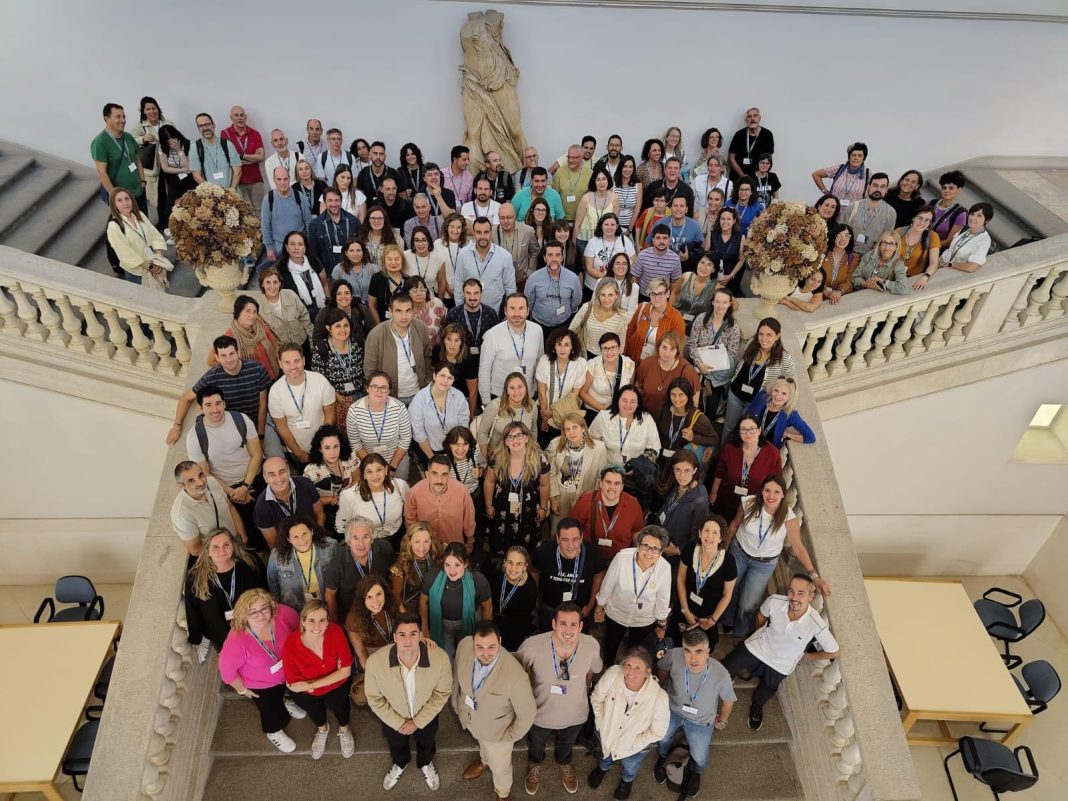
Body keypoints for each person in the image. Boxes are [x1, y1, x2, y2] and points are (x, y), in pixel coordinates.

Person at [722, 574, 839, 730]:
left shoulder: (816, 624)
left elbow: (833, 651)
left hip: (781, 664)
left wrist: (807, 656)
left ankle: (757, 705)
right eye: (791, 591)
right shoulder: (775, 601)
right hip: (759, 647)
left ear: (811, 597)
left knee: (768, 688)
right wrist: (762, 631)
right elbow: (761, 615)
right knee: (725, 667)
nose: (794, 597)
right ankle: (729, 678)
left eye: (801, 593)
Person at [516, 603, 604, 795]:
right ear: (554, 624)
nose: (568, 630)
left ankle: (564, 762)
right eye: (563, 623)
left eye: (573, 625)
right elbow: (516, 672)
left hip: (575, 715)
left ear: (581, 626)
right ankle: (534, 763)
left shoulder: (591, 645)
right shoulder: (532, 646)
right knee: (536, 744)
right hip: (539, 714)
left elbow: (593, 670)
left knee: (566, 743)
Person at [725, 475, 830, 636]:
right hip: (739, 552)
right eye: (767, 490)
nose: (771, 495)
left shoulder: (788, 517)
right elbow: (733, 525)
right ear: (761, 492)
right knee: (729, 588)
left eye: (776, 492)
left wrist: (814, 576)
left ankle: (740, 631)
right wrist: (723, 550)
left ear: (783, 495)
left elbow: (798, 548)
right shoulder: (748, 503)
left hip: (763, 564)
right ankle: (726, 620)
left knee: (749, 603)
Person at [365, 611, 453, 792]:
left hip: (426, 716)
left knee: (427, 742)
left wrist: (418, 722)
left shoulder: (440, 658)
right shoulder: (375, 662)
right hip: (393, 719)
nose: (407, 640)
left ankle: (425, 762)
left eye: (413, 634)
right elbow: (374, 698)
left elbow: (442, 693)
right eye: (402, 634)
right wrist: (398, 723)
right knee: (396, 744)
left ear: (421, 635)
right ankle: (400, 762)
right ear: (394, 637)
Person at [453, 620, 537, 801]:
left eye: (491, 647)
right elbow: (457, 679)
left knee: (501, 768)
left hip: (499, 733)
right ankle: (485, 761)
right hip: (472, 721)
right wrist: (456, 705)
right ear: (473, 642)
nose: (485, 653)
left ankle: (503, 793)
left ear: (500, 641)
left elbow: (528, 713)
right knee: (482, 744)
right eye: (479, 647)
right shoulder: (464, 646)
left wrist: (510, 737)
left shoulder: (515, 676)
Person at [218, 588, 304, 753]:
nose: (261, 615)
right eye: (253, 612)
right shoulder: (236, 640)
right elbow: (226, 671)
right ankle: (274, 731)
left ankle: (285, 701)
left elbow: (297, 628)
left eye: (264, 608)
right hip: (261, 685)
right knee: (271, 710)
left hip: (287, 672)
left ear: (271, 605)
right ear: (244, 614)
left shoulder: (282, 614)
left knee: (284, 693)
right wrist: (242, 690)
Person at [653, 628, 736, 797]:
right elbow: (662, 667)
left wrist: (722, 720)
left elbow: (728, 700)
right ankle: (663, 757)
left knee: (699, 753)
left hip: (701, 720)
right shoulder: (674, 655)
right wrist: (660, 688)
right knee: (662, 736)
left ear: (708, 652)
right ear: (682, 650)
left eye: (698, 652)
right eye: (688, 651)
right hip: (674, 710)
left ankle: (696, 771)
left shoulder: (720, 673)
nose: (692, 659)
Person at [588, 646, 670, 800]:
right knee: (604, 755)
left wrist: (636, 743)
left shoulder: (659, 697)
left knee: (630, 766)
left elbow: (659, 731)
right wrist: (601, 723)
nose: (631, 672)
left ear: (647, 672)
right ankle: (603, 768)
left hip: (635, 747)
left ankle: (626, 781)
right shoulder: (613, 674)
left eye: (638, 668)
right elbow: (596, 698)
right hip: (606, 733)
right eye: (628, 665)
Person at [185, 385, 262, 544]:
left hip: (254, 477)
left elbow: (257, 454)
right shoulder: (195, 437)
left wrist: (245, 487)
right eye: (208, 405)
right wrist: (234, 493)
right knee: (248, 530)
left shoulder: (241, 419)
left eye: (218, 403)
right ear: (201, 408)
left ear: (224, 403)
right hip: (227, 488)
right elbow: (206, 474)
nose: (215, 409)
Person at [168, 336, 273, 451]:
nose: (229, 359)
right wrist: (177, 426)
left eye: (231, 354)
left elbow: (263, 405)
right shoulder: (212, 377)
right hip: (232, 426)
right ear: (217, 358)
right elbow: (186, 398)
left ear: (238, 353)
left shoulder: (257, 369)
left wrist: (260, 436)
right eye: (223, 355)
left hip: (259, 423)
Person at [282, 599, 355, 759]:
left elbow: (346, 671)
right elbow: (294, 684)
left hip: (334, 687)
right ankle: (323, 729)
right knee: (315, 712)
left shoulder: (335, 632)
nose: (317, 626)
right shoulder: (291, 644)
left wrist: (310, 684)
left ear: (328, 621)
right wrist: (335, 674)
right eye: (311, 620)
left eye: (322, 620)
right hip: (309, 694)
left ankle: (344, 729)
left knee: (342, 708)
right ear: (303, 621)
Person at [184, 527, 266, 661]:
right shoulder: (196, 577)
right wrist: (196, 638)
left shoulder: (249, 563)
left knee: (257, 659)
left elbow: (265, 589)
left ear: (233, 545)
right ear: (208, 551)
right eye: (215, 547)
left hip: (253, 627)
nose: (222, 551)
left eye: (226, 545)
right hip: (220, 635)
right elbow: (192, 609)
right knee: (233, 662)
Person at [595, 526, 672, 666]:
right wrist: (599, 607)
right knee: (610, 646)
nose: (649, 552)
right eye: (645, 546)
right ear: (638, 545)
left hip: (644, 619)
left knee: (636, 652)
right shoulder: (622, 558)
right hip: (616, 613)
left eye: (655, 549)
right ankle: (608, 668)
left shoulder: (665, 568)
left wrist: (661, 625)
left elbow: (663, 599)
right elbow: (608, 585)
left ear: (661, 552)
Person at [721, 317, 796, 448]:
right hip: (735, 394)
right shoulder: (752, 344)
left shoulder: (785, 359)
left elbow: (791, 385)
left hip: (755, 402)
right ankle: (723, 451)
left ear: (777, 336)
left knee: (744, 431)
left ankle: (736, 454)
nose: (763, 339)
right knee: (728, 426)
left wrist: (780, 401)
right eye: (761, 334)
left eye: (769, 335)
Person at [484, 421, 551, 557]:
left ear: (526, 438)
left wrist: (543, 508)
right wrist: (488, 505)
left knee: (528, 545)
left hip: (529, 509)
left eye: (519, 435)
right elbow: (489, 481)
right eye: (510, 437)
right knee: (502, 543)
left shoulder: (539, 458)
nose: (515, 440)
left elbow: (544, 485)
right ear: (505, 442)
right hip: (503, 507)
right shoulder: (497, 457)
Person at [530, 519, 606, 631]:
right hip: (550, 607)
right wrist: (534, 598)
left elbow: (598, 577)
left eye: (575, 539)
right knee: (547, 636)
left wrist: (590, 605)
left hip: (579, 609)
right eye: (565, 540)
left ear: (581, 538)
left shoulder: (593, 555)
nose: (571, 546)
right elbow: (534, 572)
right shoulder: (543, 553)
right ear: (557, 538)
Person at [420, 542, 492, 658]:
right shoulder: (432, 576)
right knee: (445, 657)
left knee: (465, 657)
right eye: (447, 565)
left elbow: (487, 607)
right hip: (442, 624)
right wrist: (424, 627)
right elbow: (423, 602)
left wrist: (485, 632)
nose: (451, 570)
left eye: (457, 565)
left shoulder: (478, 580)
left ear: (465, 564)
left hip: (467, 623)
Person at [676, 514, 736, 649]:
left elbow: (727, 595)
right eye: (706, 531)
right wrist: (685, 610)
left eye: (715, 533)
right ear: (700, 533)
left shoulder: (729, 562)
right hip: (685, 608)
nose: (709, 536)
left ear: (721, 538)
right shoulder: (690, 548)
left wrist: (713, 620)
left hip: (707, 619)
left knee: (703, 648)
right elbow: (680, 579)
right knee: (676, 642)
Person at [267, 343, 335, 464]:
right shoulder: (275, 392)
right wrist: (298, 453)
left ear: (303, 360)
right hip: (297, 451)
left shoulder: (320, 381)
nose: (293, 366)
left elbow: (330, 415)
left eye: (296, 361)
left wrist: (324, 445)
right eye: (287, 362)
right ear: (280, 364)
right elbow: (281, 427)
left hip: (324, 448)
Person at [709, 414, 782, 522]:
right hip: (727, 499)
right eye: (743, 429)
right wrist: (713, 493)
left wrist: (773, 505)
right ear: (738, 432)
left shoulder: (772, 453)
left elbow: (777, 482)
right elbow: (719, 472)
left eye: (752, 429)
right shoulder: (729, 448)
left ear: (759, 430)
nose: (748, 433)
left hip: (753, 504)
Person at [323, 517, 395, 625]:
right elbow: (330, 596)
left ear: (372, 538)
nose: (361, 544)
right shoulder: (337, 564)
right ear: (348, 541)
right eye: (355, 538)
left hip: (381, 609)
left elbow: (393, 576)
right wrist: (335, 625)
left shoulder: (385, 549)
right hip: (352, 616)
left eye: (365, 537)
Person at [364, 292, 431, 404]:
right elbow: (370, 370)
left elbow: (427, 357)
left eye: (408, 311)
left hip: (419, 393)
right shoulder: (376, 335)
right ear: (390, 311)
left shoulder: (421, 328)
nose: (404, 316)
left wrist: (427, 382)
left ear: (413, 310)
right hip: (390, 397)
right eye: (399, 311)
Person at [546, 413, 609, 531]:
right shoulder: (555, 445)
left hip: (585, 496)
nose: (571, 432)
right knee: (558, 530)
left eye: (575, 427)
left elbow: (600, 477)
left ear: (583, 428)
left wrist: (593, 500)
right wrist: (553, 498)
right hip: (561, 495)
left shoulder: (599, 448)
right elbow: (551, 473)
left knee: (581, 531)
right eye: (567, 429)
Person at [344, 574, 399, 706]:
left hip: (395, 650)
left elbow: (407, 623)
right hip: (372, 657)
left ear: (385, 592)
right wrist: (376, 676)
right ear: (362, 599)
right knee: (361, 697)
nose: (375, 602)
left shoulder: (393, 604)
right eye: (369, 597)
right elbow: (361, 653)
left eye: (379, 594)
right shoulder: (353, 619)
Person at [478, 294, 544, 404]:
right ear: (505, 311)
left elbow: (540, 362)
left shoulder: (537, 330)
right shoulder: (492, 335)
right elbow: (484, 370)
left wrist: (537, 392)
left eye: (521, 308)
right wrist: (486, 402)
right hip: (500, 396)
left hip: (528, 394)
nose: (517, 313)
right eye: (512, 308)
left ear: (528, 311)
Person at [571, 465, 645, 562]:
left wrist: (635, 561)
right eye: (608, 482)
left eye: (617, 483)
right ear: (601, 484)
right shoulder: (585, 502)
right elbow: (571, 531)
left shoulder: (633, 504)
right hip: (589, 559)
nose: (612, 487)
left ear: (622, 486)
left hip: (620, 561)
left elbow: (637, 533)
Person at [347, 371, 414, 478]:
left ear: (389, 391)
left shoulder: (399, 408)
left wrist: (392, 467)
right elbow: (355, 443)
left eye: (383, 387)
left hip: (396, 460)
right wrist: (373, 467)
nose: (379, 391)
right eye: (374, 386)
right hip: (367, 462)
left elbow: (405, 439)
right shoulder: (354, 410)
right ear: (367, 389)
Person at [688, 287, 742, 418]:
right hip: (697, 367)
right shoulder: (701, 319)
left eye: (724, 302)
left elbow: (732, 353)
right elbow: (692, 344)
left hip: (717, 374)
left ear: (729, 304)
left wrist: (714, 366)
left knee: (710, 411)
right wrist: (699, 364)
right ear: (712, 302)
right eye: (717, 301)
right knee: (691, 404)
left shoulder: (733, 327)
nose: (720, 306)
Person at [91, 103, 146, 233]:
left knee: (143, 225)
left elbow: (137, 159)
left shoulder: (128, 137)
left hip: (138, 191)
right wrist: (114, 196)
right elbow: (101, 172)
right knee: (127, 230)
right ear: (107, 118)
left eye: (124, 116)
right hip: (122, 198)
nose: (123, 120)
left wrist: (143, 181)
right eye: (118, 117)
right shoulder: (100, 142)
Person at [171, 461, 245, 556]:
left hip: (237, 543)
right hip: (220, 556)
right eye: (191, 481)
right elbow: (196, 550)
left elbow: (230, 507)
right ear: (181, 485)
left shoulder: (211, 482)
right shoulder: (182, 514)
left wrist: (242, 536)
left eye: (201, 475)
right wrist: (226, 554)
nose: (201, 482)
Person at [268, 515, 338, 612]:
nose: (302, 540)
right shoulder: (277, 556)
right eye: (295, 537)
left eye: (304, 533)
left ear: (312, 531)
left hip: (325, 607)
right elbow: (273, 588)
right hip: (293, 611)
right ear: (288, 539)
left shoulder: (330, 547)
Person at [405, 454, 476, 548]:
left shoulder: (462, 491)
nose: (439, 480)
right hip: (425, 548)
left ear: (449, 475)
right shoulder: (415, 492)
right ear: (427, 475)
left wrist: (470, 540)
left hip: (454, 547)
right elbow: (410, 521)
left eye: (444, 474)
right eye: (434, 473)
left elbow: (469, 518)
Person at [253, 457, 325, 549]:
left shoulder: (306, 484)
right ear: (265, 478)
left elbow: (319, 514)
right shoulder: (261, 506)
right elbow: (273, 542)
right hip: (288, 549)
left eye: (282, 472)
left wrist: (318, 540)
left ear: (288, 471)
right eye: (272, 474)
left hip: (314, 539)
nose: (278, 479)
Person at [336, 453, 410, 543]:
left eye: (379, 470)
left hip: (397, 537)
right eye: (369, 472)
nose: (375, 476)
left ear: (386, 470)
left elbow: (411, 510)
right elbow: (342, 526)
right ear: (363, 475)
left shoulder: (400, 485)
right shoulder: (349, 496)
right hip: (366, 543)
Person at [655, 450, 712, 563]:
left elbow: (700, 532)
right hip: (662, 540)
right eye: (678, 470)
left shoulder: (700, 500)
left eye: (687, 471)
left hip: (675, 553)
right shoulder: (677, 484)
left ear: (694, 470)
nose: (682, 476)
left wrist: (678, 550)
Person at [301, 424, 358, 537]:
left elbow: (357, 479)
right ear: (320, 449)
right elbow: (308, 499)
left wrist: (347, 496)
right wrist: (334, 499)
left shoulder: (350, 456)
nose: (333, 452)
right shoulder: (311, 470)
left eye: (336, 446)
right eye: (327, 448)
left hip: (351, 501)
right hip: (325, 509)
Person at [589, 385, 661, 472]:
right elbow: (591, 441)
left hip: (635, 472)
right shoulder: (604, 416)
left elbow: (653, 448)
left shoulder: (647, 419)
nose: (628, 405)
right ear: (618, 400)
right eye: (624, 400)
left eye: (632, 401)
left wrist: (639, 468)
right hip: (607, 469)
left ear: (638, 404)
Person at [453, 217, 517, 315]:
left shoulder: (505, 256)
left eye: (486, 232)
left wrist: (508, 313)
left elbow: (510, 289)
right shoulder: (463, 254)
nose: (483, 236)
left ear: (491, 233)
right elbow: (458, 284)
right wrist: (460, 310)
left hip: (495, 313)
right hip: (468, 312)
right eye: (479, 232)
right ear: (473, 233)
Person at [655, 378, 717, 474]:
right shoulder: (663, 410)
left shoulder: (697, 418)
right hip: (660, 460)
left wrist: (694, 437)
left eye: (681, 395)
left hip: (682, 465)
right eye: (673, 394)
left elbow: (715, 439)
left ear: (688, 395)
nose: (677, 399)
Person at [214, 295, 280, 380]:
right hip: (254, 381)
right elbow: (212, 360)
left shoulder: (260, 326)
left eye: (254, 312)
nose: (252, 315)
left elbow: (274, 345)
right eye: (248, 311)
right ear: (238, 312)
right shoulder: (229, 336)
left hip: (273, 375)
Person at [635, 331, 701, 416]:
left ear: (677, 351)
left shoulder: (687, 371)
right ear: (658, 347)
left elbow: (694, 404)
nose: (667, 353)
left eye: (672, 349)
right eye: (664, 347)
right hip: (645, 416)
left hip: (671, 419)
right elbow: (638, 388)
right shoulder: (646, 364)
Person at [624, 276, 685, 363]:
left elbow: (678, 348)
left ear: (668, 294)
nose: (656, 298)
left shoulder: (677, 319)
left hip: (657, 365)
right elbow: (629, 333)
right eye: (653, 294)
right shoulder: (642, 308)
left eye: (660, 294)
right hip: (633, 360)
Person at [488, 545, 538, 651]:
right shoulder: (496, 575)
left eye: (519, 564)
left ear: (525, 566)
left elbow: (524, 619)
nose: (513, 568)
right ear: (505, 563)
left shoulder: (530, 589)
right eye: (510, 562)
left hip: (515, 629)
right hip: (493, 622)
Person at [578, 332, 636, 419]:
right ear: (600, 350)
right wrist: (604, 409)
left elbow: (630, 391)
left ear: (619, 348)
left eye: (613, 347)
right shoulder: (593, 365)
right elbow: (582, 393)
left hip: (619, 412)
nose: (609, 352)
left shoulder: (630, 365)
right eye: (605, 348)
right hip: (594, 410)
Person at [747, 378, 816, 449]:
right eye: (776, 390)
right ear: (772, 390)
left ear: (789, 397)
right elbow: (748, 413)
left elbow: (810, 438)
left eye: (784, 393)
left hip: (767, 450)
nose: (778, 396)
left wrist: (787, 435)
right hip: (747, 440)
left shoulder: (791, 415)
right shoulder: (761, 397)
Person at [570, 277, 629, 359]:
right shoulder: (587, 308)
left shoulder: (622, 316)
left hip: (608, 358)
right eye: (603, 295)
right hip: (585, 355)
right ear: (598, 295)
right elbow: (571, 330)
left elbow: (621, 346)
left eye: (610, 295)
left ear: (616, 295)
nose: (606, 299)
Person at [390, 523, 444, 611]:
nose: (422, 548)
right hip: (411, 607)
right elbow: (396, 594)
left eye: (426, 541)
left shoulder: (437, 556)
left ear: (432, 541)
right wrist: (404, 613)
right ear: (409, 542)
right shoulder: (400, 566)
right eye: (417, 542)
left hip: (434, 603)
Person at [220, 106, 266, 209]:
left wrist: (241, 156)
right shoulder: (225, 134)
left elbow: (261, 157)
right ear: (231, 117)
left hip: (256, 179)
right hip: (237, 181)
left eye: (242, 115)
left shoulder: (255, 134)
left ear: (245, 117)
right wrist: (252, 159)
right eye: (236, 115)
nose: (239, 118)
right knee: (243, 212)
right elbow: (227, 159)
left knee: (260, 210)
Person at [257, 268, 312, 354]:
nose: (272, 287)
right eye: (268, 282)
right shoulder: (258, 307)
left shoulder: (290, 294)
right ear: (262, 284)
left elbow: (305, 319)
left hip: (302, 343)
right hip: (283, 351)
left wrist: (312, 342)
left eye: (275, 282)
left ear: (280, 283)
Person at [308, 187, 362, 272]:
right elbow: (313, 253)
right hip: (327, 272)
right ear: (325, 202)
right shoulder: (315, 224)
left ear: (341, 201)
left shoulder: (353, 221)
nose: (334, 204)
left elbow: (361, 247)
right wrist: (321, 271)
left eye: (337, 200)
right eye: (330, 200)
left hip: (352, 270)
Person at [933, 202, 995, 276]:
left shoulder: (984, 240)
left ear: (987, 220)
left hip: (950, 271)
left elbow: (971, 267)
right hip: (939, 262)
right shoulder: (965, 228)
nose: (973, 218)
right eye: (972, 214)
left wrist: (950, 264)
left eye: (979, 216)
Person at [842, 173, 896, 255]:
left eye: (882, 187)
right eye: (875, 185)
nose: (878, 189)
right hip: (848, 254)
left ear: (886, 190)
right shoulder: (853, 207)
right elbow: (841, 232)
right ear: (868, 187)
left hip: (871, 258)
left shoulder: (890, 213)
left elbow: (886, 240)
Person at [276, 231, 328, 318]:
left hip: (322, 310)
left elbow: (325, 283)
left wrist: (329, 306)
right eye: (292, 244)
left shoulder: (314, 262)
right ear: (287, 248)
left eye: (300, 244)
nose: (296, 248)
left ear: (304, 248)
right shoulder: (281, 270)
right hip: (299, 315)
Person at [583, 213, 636, 297]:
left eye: (612, 225)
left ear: (617, 226)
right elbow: (589, 268)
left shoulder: (625, 241)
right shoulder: (593, 242)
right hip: (594, 287)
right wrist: (609, 279)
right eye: (606, 224)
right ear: (601, 226)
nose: (609, 227)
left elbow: (632, 264)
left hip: (618, 288)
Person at [156, 123, 197, 229]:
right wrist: (181, 170)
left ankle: (191, 227)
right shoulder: (163, 148)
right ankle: (172, 229)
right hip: (174, 179)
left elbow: (189, 166)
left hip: (190, 179)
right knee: (169, 207)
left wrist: (179, 150)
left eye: (174, 139)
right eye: (169, 142)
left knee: (192, 204)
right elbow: (165, 168)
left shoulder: (189, 144)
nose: (173, 143)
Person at [189, 113, 242, 190]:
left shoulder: (227, 144)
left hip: (232, 192)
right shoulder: (195, 148)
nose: (205, 128)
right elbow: (196, 176)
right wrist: (213, 192)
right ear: (198, 128)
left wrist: (231, 191)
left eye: (207, 124)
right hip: (210, 195)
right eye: (201, 126)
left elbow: (237, 171)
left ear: (213, 125)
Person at [491, 202, 538, 290]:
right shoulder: (492, 232)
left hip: (521, 280)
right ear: (498, 217)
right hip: (500, 282)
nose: (506, 221)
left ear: (515, 216)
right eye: (502, 218)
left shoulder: (528, 231)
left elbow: (534, 252)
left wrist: (530, 271)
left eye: (509, 217)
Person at [313, 279, 370, 349]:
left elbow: (370, 332)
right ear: (335, 297)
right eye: (339, 294)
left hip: (360, 350)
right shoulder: (325, 313)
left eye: (347, 293)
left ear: (352, 296)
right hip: (333, 352)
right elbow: (317, 339)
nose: (343, 296)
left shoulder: (361, 309)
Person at [573, 166, 620, 251]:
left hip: (606, 239)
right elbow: (577, 224)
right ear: (594, 182)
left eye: (604, 179)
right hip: (585, 241)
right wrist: (573, 246)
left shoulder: (615, 198)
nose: (601, 182)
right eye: (598, 180)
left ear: (608, 180)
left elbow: (615, 224)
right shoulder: (586, 198)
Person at [811, 142, 870, 207]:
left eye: (860, 155)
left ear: (863, 158)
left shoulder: (868, 174)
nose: (856, 158)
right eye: (853, 155)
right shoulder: (839, 168)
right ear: (849, 157)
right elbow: (816, 174)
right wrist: (825, 192)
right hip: (834, 210)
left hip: (853, 212)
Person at [631, 226, 682, 300]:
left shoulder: (675, 259)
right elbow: (635, 278)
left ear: (669, 240)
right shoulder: (643, 255)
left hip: (663, 298)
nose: (661, 241)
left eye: (665, 238)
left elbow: (674, 283)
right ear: (653, 240)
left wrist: (671, 301)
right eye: (658, 238)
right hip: (644, 296)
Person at [895, 208, 942, 288]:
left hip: (912, 279)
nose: (922, 222)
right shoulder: (899, 231)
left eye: (926, 220)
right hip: (891, 273)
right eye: (920, 218)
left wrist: (925, 277)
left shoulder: (933, 237)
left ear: (930, 223)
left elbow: (934, 263)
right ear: (913, 218)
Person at [727, 107, 774, 178]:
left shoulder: (767, 135)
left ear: (759, 118)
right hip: (737, 176)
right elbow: (731, 158)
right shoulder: (739, 134)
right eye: (749, 116)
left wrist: (757, 176)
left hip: (758, 177)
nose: (752, 118)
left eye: (755, 116)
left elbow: (768, 159)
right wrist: (743, 176)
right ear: (746, 120)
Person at [674, 255, 718, 330]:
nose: (704, 267)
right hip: (676, 321)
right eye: (702, 262)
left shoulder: (716, 287)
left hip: (697, 328)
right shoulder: (686, 276)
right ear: (697, 264)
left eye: (709, 265)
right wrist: (669, 310)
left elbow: (733, 304)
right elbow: (674, 293)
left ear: (713, 270)